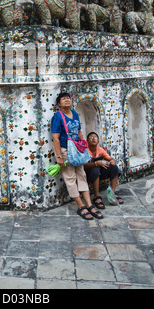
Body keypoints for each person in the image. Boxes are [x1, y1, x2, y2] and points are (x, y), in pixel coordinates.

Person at [51, 92, 103, 220]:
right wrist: (59, 156)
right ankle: (81, 206)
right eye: (63, 99)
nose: (67, 100)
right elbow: (55, 138)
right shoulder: (57, 117)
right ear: (59, 103)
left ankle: (90, 205)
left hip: (78, 150)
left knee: (82, 176)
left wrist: (84, 149)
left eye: (68, 98)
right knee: (70, 178)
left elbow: (79, 132)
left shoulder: (74, 114)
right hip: (66, 151)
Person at [85, 132, 123, 208]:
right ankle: (97, 196)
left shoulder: (100, 150)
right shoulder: (85, 151)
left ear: (98, 141)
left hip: (100, 172)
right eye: (91, 138)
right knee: (95, 170)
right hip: (88, 173)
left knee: (114, 168)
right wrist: (96, 163)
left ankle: (112, 193)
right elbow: (84, 166)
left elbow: (110, 158)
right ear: (87, 141)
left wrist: (112, 161)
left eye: (95, 138)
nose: (93, 139)